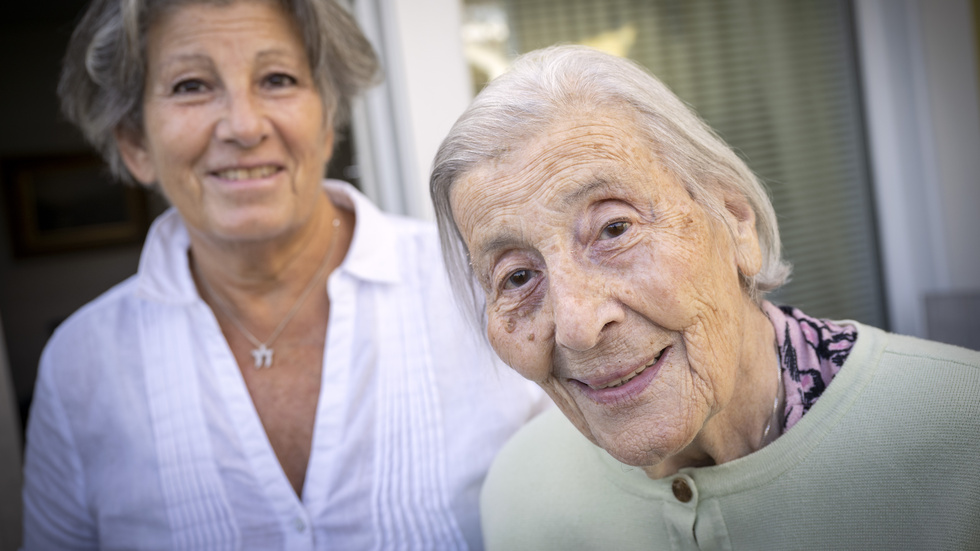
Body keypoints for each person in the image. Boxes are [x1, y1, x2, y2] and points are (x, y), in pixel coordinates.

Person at [22, 0, 548, 548]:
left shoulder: (483, 289)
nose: (244, 127)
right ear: (135, 143)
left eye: (277, 79)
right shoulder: (80, 366)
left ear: (327, 119)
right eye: (190, 86)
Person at [430, 45, 980, 550]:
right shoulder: (519, 496)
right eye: (518, 278)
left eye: (615, 229)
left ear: (736, 221)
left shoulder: (960, 428)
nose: (577, 324)